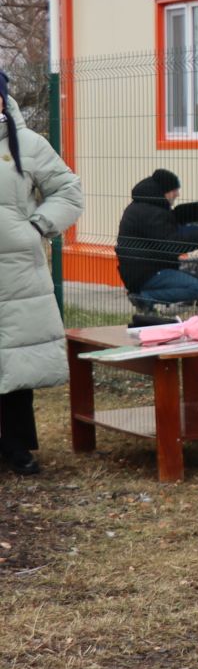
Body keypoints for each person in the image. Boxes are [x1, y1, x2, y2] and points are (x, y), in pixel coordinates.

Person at [0, 71, 84, 476]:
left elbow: (68, 190)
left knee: (17, 360)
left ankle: (17, 447)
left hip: (17, 271)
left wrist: (36, 226)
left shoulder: (29, 145)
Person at [115, 167, 198, 315]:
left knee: (192, 277)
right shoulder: (152, 213)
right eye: (175, 190)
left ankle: (148, 305)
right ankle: (145, 298)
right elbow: (174, 243)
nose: (177, 194)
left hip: (138, 270)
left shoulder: (143, 207)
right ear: (165, 191)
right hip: (146, 273)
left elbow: (172, 234)